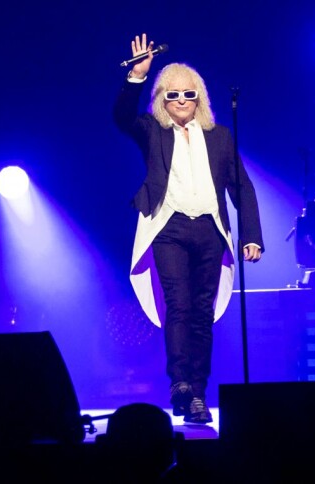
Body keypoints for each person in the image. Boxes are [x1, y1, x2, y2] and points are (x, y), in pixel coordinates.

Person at [113, 34, 264, 424]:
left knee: (202, 312)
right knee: (178, 305)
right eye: (172, 95)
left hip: (210, 231)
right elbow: (122, 117)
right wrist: (137, 76)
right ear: (161, 99)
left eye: (188, 94)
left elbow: (241, 186)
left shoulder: (219, 137)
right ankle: (179, 383)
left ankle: (197, 392)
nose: (181, 101)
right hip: (169, 228)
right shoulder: (152, 131)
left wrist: (251, 235)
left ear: (200, 98)